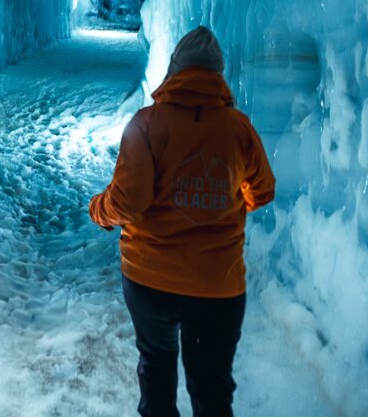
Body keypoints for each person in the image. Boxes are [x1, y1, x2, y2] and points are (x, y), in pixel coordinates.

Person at [89, 25, 276, 417]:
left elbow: (129, 201)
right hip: (218, 285)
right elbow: (262, 191)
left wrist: (100, 211)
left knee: (156, 371)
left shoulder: (146, 124)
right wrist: (229, 200)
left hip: (150, 279)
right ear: (217, 76)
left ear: (175, 71)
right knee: (212, 391)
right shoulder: (238, 129)